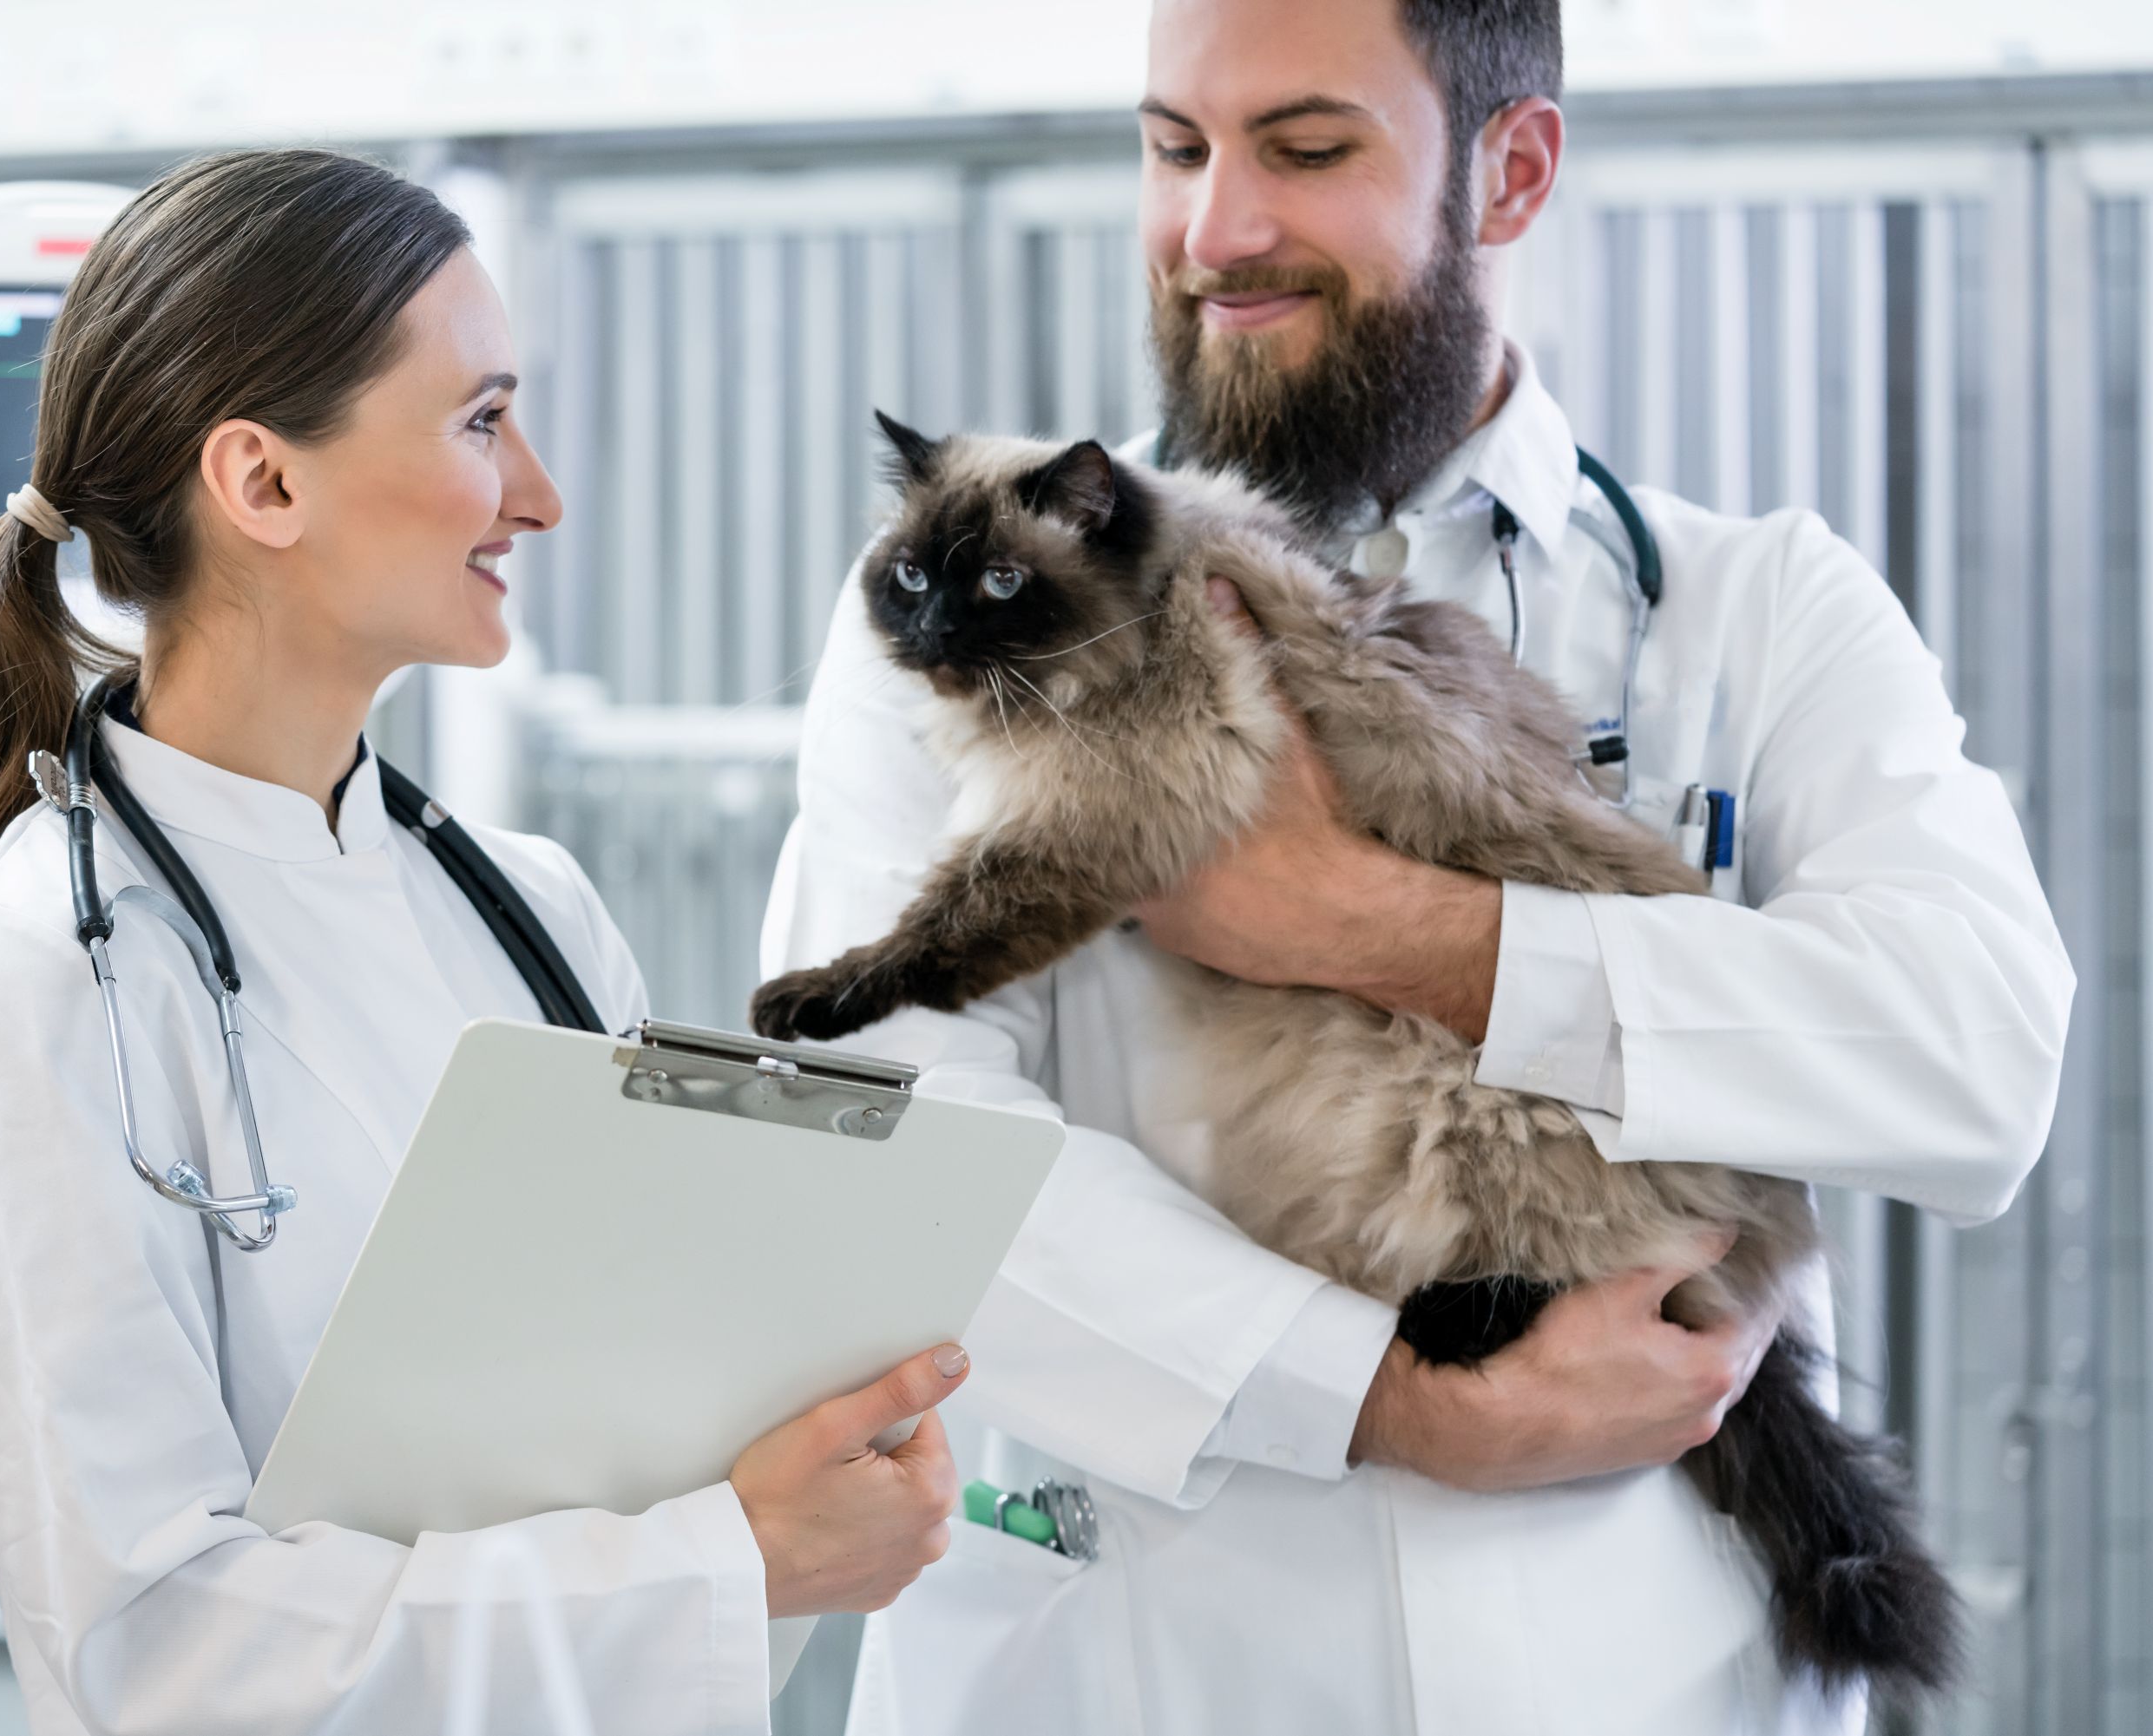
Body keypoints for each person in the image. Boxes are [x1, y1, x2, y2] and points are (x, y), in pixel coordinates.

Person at [762, 3, 2074, 1733]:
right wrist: (1377, 1390)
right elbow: (872, 1136)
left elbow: (1975, 1058)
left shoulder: (1761, 608)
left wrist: (1390, 925)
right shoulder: (986, 609)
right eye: (1174, 148)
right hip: (1132, 1668)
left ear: (1511, 170)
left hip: (1647, 1671)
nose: (1216, 229)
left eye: (1306, 150)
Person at [0, 148, 965, 1736]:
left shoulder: (536, 913)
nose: (541, 494)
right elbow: (162, 1652)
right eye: (483, 421)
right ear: (263, 482)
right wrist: (740, 1557)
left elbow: (630, 1450)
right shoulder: (23, 982)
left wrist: (799, 1449)